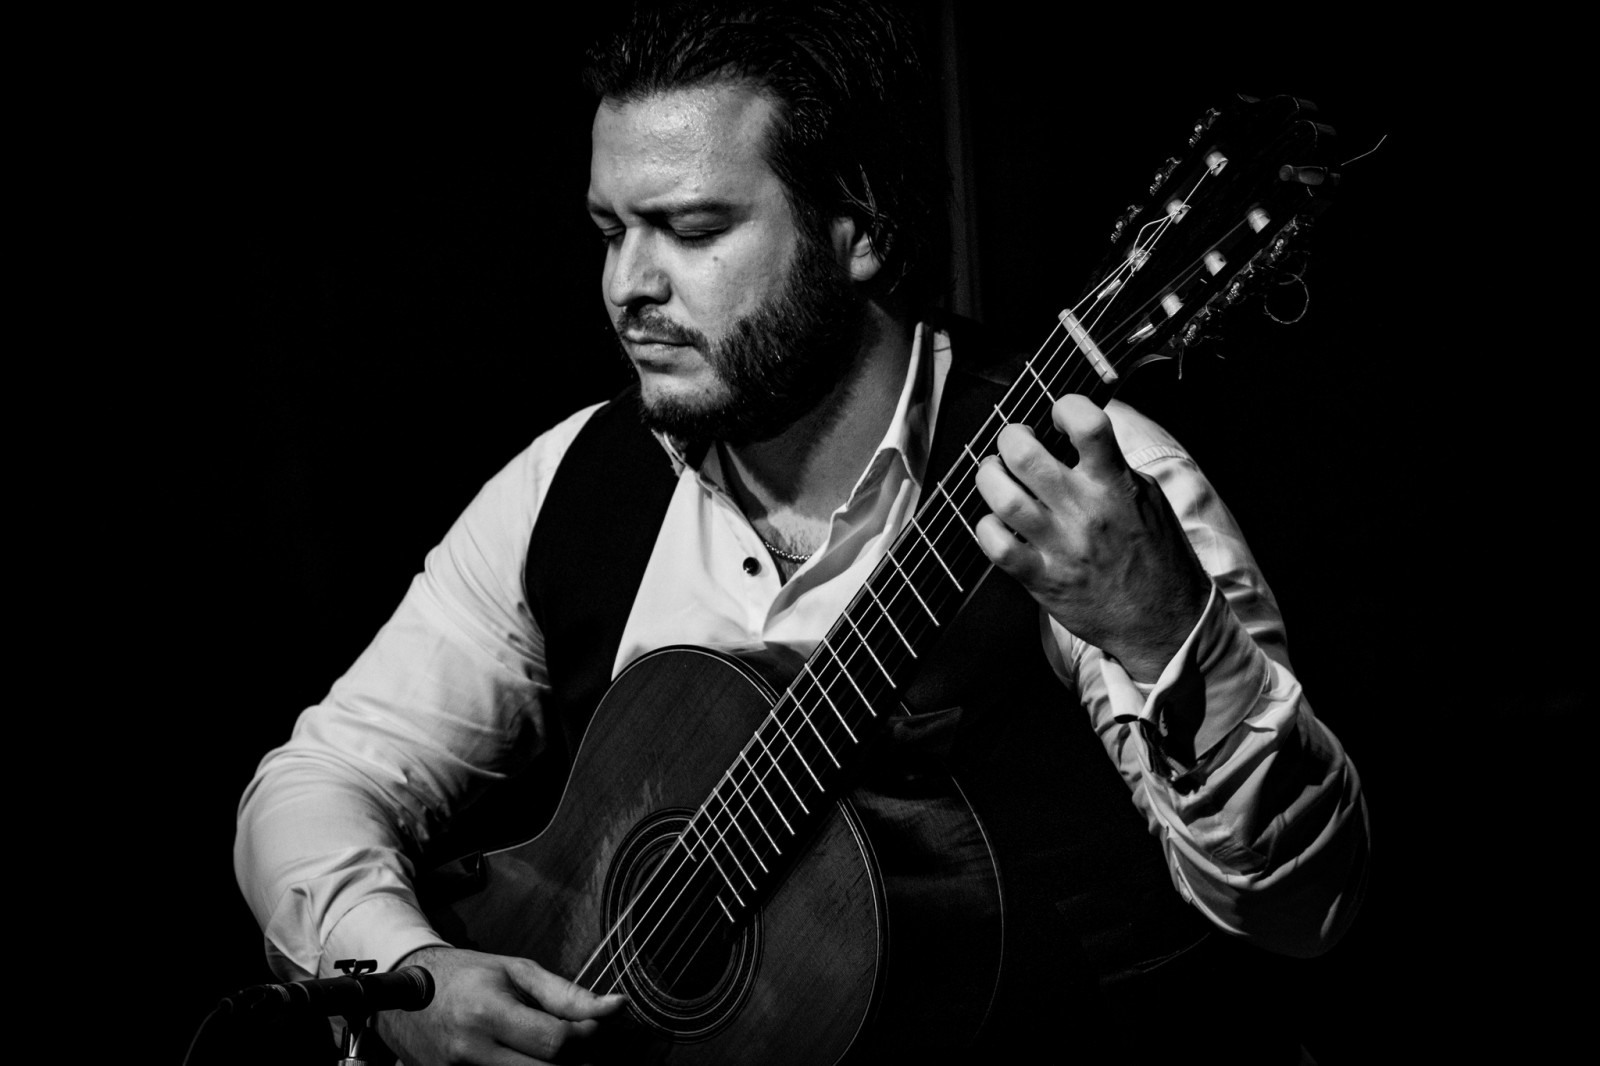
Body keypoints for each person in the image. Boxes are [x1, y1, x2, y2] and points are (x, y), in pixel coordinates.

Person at [235, 3, 1370, 1063]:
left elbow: (1299, 910)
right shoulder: (573, 479)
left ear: (856, 232)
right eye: (610, 230)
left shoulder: (1087, 488)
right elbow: (321, 777)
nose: (628, 285)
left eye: (691, 229)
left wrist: (1161, 624)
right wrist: (407, 979)